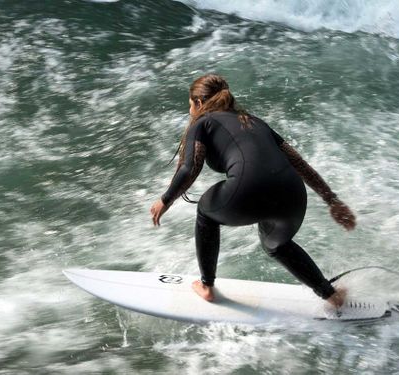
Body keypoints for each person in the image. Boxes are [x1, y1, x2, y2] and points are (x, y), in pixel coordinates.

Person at [150, 74, 356, 307]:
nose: (190, 111)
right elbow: (299, 163)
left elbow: (190, 167)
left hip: (248, 188)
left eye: (190, 105)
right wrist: (332, 200)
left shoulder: (202, 123)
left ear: (198, 104)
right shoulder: (255, 121)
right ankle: (331, 295)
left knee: (206, 212)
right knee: (276, 244)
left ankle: (207, 286)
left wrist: (165, 200)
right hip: (292, 193)